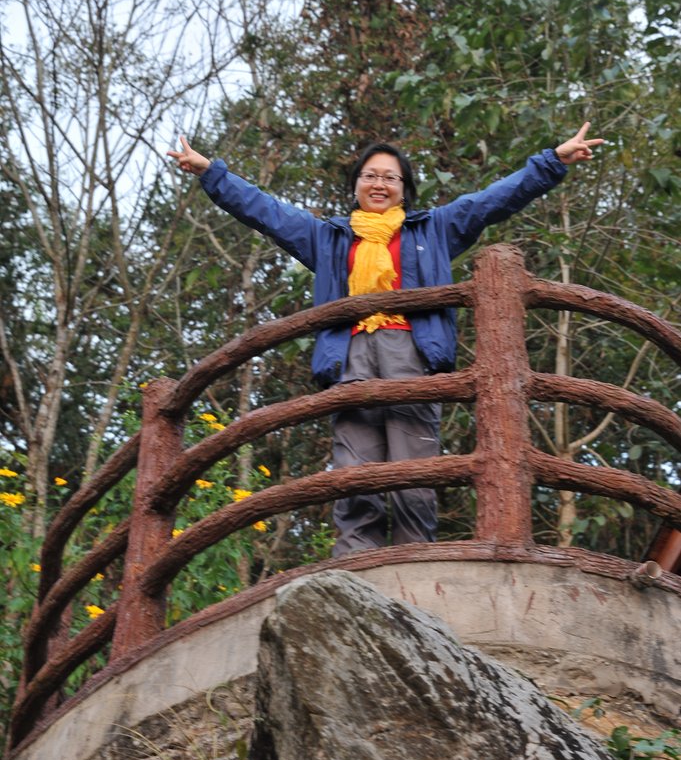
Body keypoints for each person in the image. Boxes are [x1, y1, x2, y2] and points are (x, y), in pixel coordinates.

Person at [168, 123, 603, 556]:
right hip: (351, 355)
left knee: (414, 470)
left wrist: (553, 160)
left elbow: (493, 200)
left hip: (410, 352)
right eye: (370, 176)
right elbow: (265, 210)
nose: (379, 184)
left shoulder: (434, 229)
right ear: (356, 185)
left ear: (404, 189)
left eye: (390, 177)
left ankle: (415, 566)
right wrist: (211, 172)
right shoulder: (328, 237)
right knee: (353, 470)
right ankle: (355, 566)